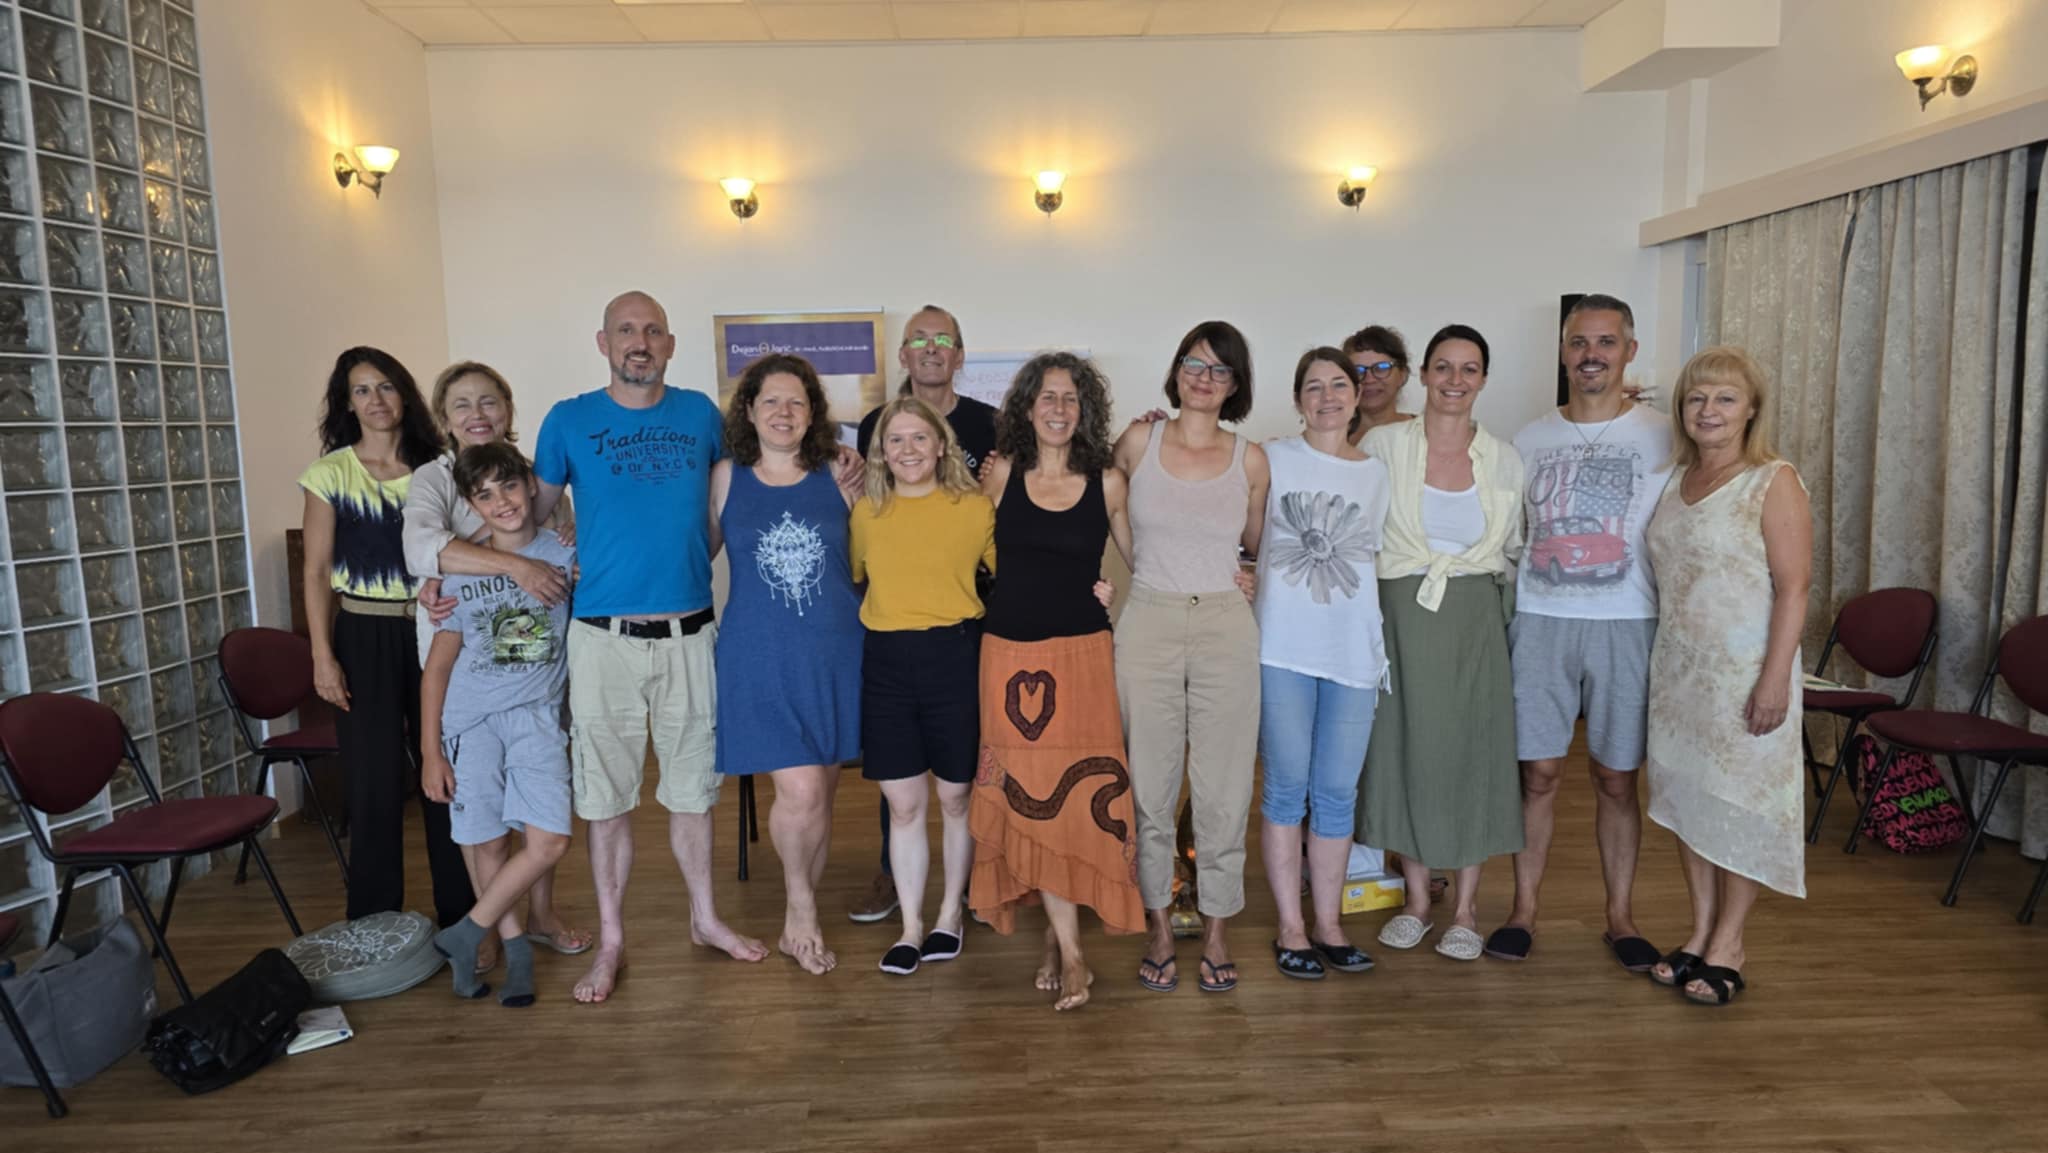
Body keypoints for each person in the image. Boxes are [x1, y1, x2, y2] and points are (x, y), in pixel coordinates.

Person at [530, 291, 768, 1005]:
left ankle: (704, 918)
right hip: (602, 640)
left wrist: (688, 562)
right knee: (606, 800)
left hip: (690, 635)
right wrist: (458, 571)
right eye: (626, 331)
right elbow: (527, 517)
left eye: (653, 331)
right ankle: (612, 939)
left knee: (694, 793)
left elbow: (728, 506)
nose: (640, 342)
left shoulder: (701, 415)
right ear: (603, 342)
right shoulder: (567, 420)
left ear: (670, 344)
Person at [1486, 295, 1671, 970]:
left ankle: (1620, 917)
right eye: (1578, 342)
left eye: (1605, 342)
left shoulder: (1666, 435)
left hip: (1628, 623)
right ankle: (1523, 910)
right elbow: (1509, 534)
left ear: (1629, 351)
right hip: (1541, 622)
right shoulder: (1529, 440)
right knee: (1537, 773)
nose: (1591, 354)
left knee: (1617, 777)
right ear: (1563, 351)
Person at [970, 352, 1141, 1011]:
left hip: (1083, 657)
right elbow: (958, 550)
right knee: (1025, 796)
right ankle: (1071, 952)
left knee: (1074, 797)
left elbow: (1150, 563)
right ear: (1026, 406)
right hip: (1008, 657)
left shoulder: (1109, 481)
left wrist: (1232, 572)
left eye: (1071, 398)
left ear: (1085, 410)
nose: (1059, 408)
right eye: (1047, 396)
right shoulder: (1000, 474)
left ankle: (1060, 941)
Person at [403, 361, 589, 968]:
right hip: (466, 656)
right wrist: (507, 567)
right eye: (461, 404)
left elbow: (565, 545)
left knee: (540, 815)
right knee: (482, 817)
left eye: (489, 401)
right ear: (443, 417)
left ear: (508, 409)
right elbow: (421, 547)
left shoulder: (535, 476)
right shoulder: (432, 478)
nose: (477, 414)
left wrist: (569, 551)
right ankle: (488, 929)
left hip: (536, 680)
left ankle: (539, 916)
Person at [1644, 346, 1810, 1006]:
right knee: (1692, 803)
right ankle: (1700, 929)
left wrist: (1774, 680)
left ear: (1751, 410)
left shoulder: (1772, 480)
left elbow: (1795, 588)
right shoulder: (1674, 480)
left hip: (1746, 676)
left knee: (1739, 804)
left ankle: (1730, 943)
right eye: (1696, 398)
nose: (1708, 410)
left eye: (1724, 398)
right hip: (1680, 675)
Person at [1111, 321, 1270, 994]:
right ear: (1176, 371)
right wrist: (1146, 573)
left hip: (1224, 627)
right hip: (1148, 618)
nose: (1204, 378)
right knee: (1148, 784)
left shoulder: (1251, 459)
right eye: (1193, 364)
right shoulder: (1138, 440)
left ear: (1236, 384)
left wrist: (1246, 575)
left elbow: (1255, 544)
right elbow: (1107, 508)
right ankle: (1156, 924)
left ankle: (1216, 930)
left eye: (1219, 369)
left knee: (1224, 789)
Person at [1358, 324, 1524, 963]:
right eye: (1444, 367)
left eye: (1469, 369)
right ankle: (1417, 902)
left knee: (1473, 751)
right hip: (1400, 611)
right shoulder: (1382, 446)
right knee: (1407, 748)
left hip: (1476, 616)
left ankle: (1466, 910)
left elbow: (1515, 547)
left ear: (1483, 380)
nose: (1455, 380)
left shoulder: (1504, 457)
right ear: (1423, 375)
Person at [299, 347, 473, 927]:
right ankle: (374, 921)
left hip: (436, 628)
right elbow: (315, 571)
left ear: (405, 395)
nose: (376, 400)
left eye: (386, 387)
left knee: (446, 767)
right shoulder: (330, 474)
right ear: (347, 403)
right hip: (362, 631)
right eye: (362, 390)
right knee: (372, 780)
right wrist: (322, 656)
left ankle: (463, 915)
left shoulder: (440, 468)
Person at [709, 354, 863, 976]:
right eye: (770, 400)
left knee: (820, 794)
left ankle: (805, 906)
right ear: (749, 410)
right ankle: (800, 910)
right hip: (758, 656)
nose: (783, 411)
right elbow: (689, 554)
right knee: (799, 791)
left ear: (813, 413)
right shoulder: (725, 477)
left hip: (835, 653)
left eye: (797, 401)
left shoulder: (841, 471)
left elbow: (878, 550)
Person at [849, 304, 998, 924]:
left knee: (962, 787)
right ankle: (897, 879)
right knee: (904, 793)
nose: (932, 348)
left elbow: (1017, 530)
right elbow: (859, 564)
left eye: (943, 339)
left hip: (963, 632)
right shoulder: (869, 489)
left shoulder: (991, 426)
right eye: (919, 339)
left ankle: (966, 893)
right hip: (890, 645)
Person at [419, 443, 576, 1008]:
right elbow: (437, 669)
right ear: (471, 506)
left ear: (531, 485)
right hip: (471, 722)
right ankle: (515, 954)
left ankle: (466, 932)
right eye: (484, 495)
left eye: (508, 485)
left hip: (537, 718)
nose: (501, 501)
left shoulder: (565, 553)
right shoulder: (461, 569)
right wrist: (431, 752)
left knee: (549, 839)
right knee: (487, 842)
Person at [1255, 348, 1392, 981]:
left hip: (1353, 653)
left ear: (1358, 395)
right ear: (1297, 399)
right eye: (1314, 387)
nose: (1328, 397)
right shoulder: (1271, 458)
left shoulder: (1378, 473)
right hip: (1282, 647)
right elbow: (1235, 526)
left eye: (1340, 384)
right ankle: (1291, 927)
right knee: (1286, 789)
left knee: (1337, 794)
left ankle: (1329, 925)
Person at [1342, 325, 1415, 445]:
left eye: (1381, 368)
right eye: (1358, 370)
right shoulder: (1331, 438)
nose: (1369, 380)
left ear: (1402, 374)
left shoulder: (1424, 432)